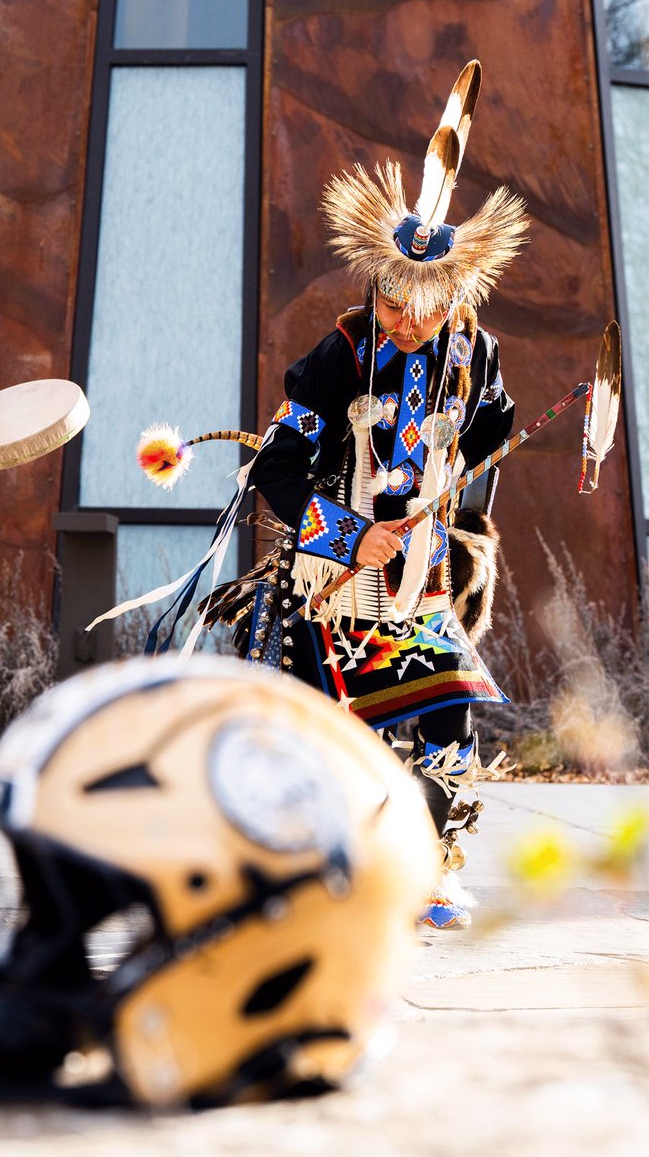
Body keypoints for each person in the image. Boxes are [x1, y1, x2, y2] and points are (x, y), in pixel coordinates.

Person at [118, 62, 528, 929]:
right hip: (333, 579)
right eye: (392, 301)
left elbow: (494, 426)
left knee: (447, 715)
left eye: (425, 306)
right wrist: (348, 534)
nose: (406, 320)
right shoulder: (341, 352)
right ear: (374, 283)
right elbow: (276, 463)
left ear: (453, 293)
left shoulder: (474, 354)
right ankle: (329, 873)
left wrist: (458, 480)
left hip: (419, 576)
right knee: (337, 735)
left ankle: (432, 872)